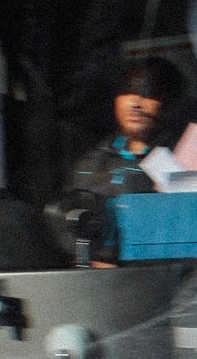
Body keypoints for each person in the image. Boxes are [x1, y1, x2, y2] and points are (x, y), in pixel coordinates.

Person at [60, 57, 183, 265]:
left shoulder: (182, 162)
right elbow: (68, 232)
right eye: (127, 91)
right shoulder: (90, 164)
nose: (136, 103)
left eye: (149, 93)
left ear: (167, 103)